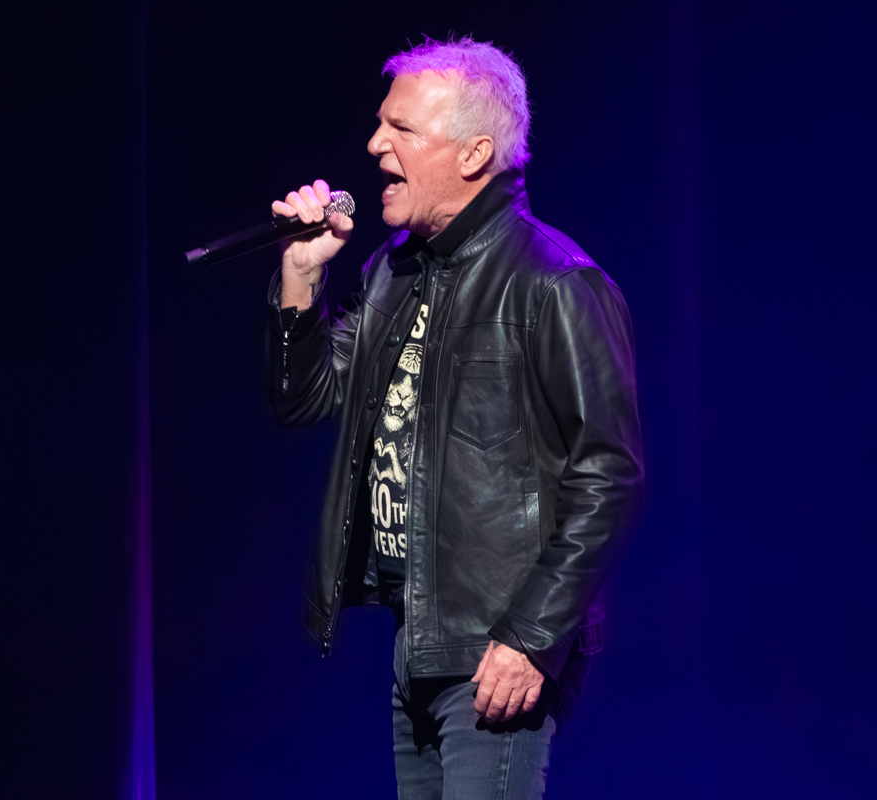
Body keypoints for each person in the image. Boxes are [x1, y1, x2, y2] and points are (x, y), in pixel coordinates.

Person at [266, 37, 645, 798]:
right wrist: (300, 276)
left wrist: (531, 637)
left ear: (474, 154)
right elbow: (305, 396)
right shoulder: (393, 269)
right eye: (381, 124)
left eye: (401, 128)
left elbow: (611, 474)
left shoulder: (554, 283)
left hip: (499, 646)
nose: (375, 144)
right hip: (421, 637)